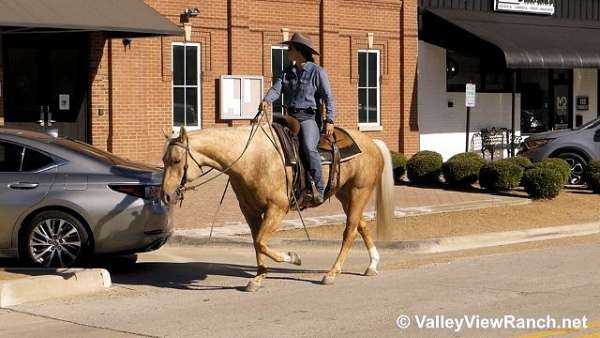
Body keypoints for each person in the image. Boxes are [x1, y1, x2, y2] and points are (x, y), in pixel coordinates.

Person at [260, 32, 336, 206]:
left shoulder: (317, 72)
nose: (288, 51)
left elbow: (328, 97)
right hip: (289, 116)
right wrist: (266, 100)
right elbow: (276, 90)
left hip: (308, 118)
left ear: (299, 51)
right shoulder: (288, 72)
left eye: (290, 48)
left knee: (309, 148)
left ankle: (319, 187)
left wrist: (329, 120)